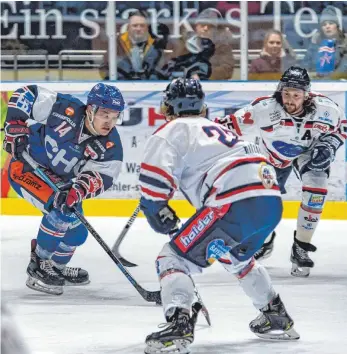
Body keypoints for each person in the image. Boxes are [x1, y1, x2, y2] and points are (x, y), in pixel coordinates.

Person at [139, 78, 299, 354]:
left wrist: (155, 207)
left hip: (231, 202)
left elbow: (155, 181)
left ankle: (179, 324)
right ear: (202, 107)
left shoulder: (171, 129)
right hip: (271, 202)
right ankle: (275, 315)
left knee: (171, 258)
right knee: (236, 257)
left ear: (168, 106)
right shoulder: (219, 128)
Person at [215, 66, 346, 277]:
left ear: (307, 95)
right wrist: (193, 125)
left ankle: (301, 247)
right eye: (286, 94)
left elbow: (342, 127)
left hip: (310, 151)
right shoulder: (263, 109)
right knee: (262, 203)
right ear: (279, 91)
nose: (290, 100)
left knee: (316, 189)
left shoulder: (326, 110)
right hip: (273, 156)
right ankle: (264, 241)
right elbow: (224, 127)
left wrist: (330, 144)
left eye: (296, 95)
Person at [3, 83, 125, 295]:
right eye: (105, 114)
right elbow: (28, 93)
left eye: (115, 117)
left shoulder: (110, 144)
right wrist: (15, 123)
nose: (110, 122)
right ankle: (39, 265)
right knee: (61, 212)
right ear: (90, 109)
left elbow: (103, 176)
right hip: (25, 169)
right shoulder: (63, 109)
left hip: (57, 181)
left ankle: (57, 268)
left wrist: (79, 189)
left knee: (78, 231)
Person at [161, 8, 234, 80]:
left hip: (213, 87)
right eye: (202, 25)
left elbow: (227, 70)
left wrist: (203, 74)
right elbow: (172, 64)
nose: (205, 28)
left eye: (210, 26)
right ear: (196, 27)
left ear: (215, 30)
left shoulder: (222, 47)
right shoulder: (186, 45)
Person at [99, 10, 169, 80]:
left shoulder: (155, 45)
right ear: (128, 27)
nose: (138, 29)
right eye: (135, 25)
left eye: (142, 25)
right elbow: (104, 68)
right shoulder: (116, 43)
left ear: (147, 27)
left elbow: (161, 68)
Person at [302, 5, 347, 79]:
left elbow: (344, 67)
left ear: (337, 26)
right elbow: (305, 64)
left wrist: (328, 78)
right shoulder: (316, 42)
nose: (327, 26)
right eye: (324, 24)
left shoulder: (344, 43)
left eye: (331, 23)